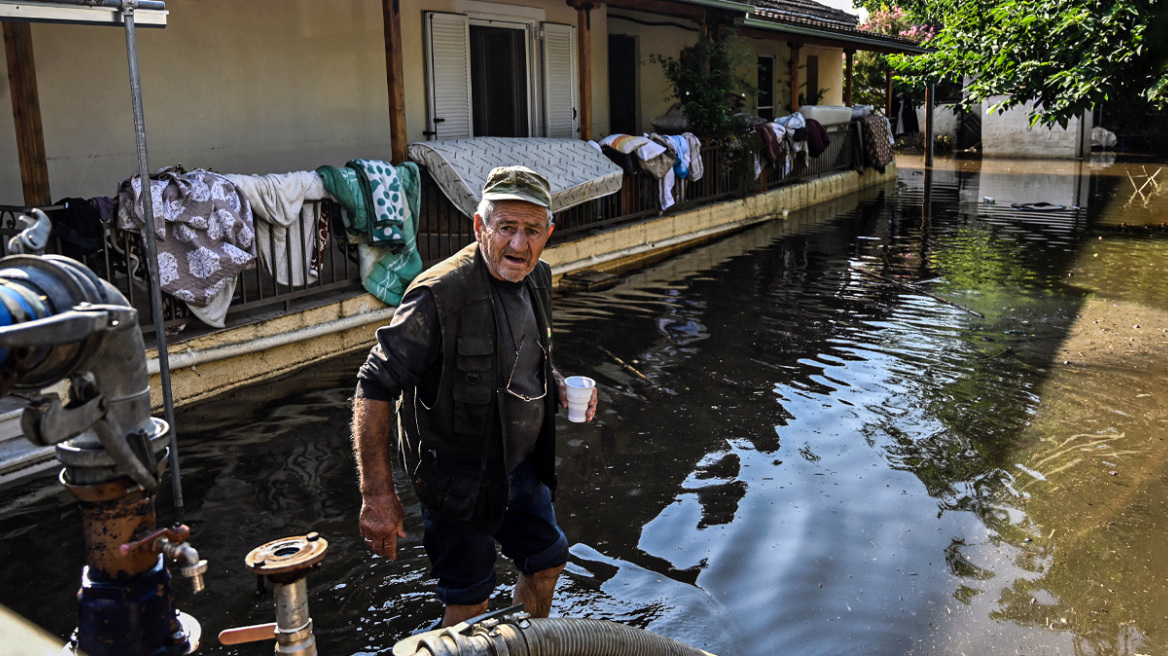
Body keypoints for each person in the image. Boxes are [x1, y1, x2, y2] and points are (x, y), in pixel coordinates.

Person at [351, 165, 598, 628]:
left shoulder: (539, 277)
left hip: (522, 469)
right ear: (480, 226)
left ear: (549, 232)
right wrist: (377, 495)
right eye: (506, 228)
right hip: (458, 480)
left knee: (547, 564)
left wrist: (559, 382)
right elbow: (374, 384)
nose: (519, 245)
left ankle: (526, 643)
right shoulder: (438, 294)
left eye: (531, 230)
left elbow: (530, 354)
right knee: (470, 604)